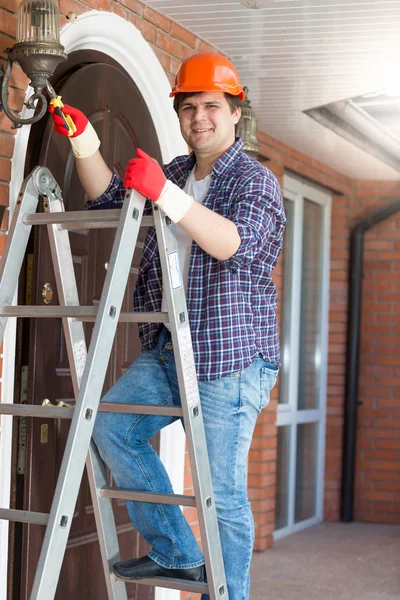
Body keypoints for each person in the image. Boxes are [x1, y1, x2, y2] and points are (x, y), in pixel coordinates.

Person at [50, 52, 286, 600]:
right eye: (188, 107)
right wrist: (84, 142)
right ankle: (178, 555)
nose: (198, 117)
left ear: (234, 113)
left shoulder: (255, 182)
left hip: (230, 359)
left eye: (210, 106)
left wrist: (168, 197)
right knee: (110, 428)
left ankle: (229, 595)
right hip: (169, 348)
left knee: (221, 492)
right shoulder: (176, 172)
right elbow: (110, 197)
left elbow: (237, 247)